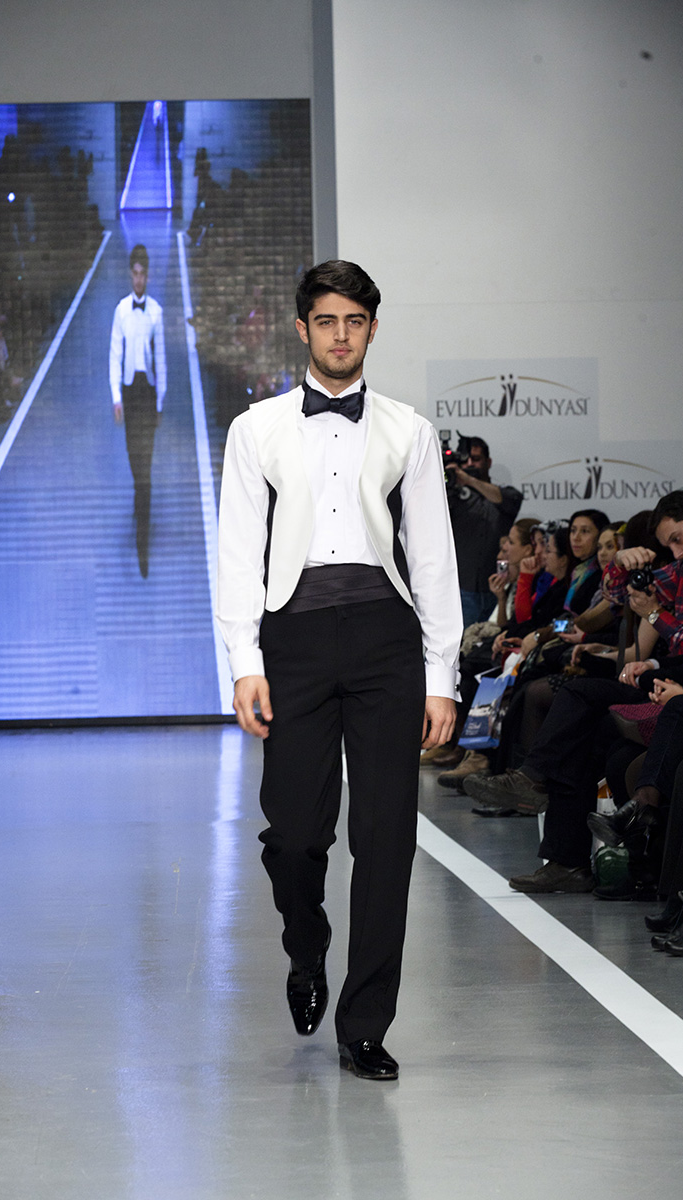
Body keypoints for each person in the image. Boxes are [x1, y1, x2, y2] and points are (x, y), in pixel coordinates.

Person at [215, 260, 462, 1081]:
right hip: (293, 638)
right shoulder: (255, 429)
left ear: (373, 329)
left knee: (387, 838)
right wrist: (245, 661)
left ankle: (364, 1027)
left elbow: (433, 558)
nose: (341, 335)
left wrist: (441, 677)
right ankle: (307, 942)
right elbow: (238, 555)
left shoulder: (408, 430)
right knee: (293, 835)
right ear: (303, 330)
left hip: (386, 639)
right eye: (327, 320)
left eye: (355, 321)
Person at [463, 489, 683, 890]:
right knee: (573, 720)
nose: (586, 544)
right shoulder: (667, 573)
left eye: (598, 539)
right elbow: (602, 603)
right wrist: (618, 564)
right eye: (579, 535)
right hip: (657, 676)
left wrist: (647, 621)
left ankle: (528, 778)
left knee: (563, 695)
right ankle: (560, 848)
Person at [109, 243, 166, 578]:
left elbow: (161, 359)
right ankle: (139, 500)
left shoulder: (156, 312)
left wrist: (160, 402)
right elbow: (114, 354)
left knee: (145, 470)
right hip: (130, 395)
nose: (139, 279)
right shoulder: (121, 311)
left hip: (148, 394)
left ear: (148, 276)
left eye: (143, 274)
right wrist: (116, 396)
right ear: (130, 275)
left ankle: (142, 546)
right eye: (135, 273)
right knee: (136, 462)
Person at [446, 436, 521, 626]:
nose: (470, 464)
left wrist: (469, 480)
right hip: (462, 590)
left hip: (499, 588)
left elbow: (512, 500)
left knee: (496, 640)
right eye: (466, 460)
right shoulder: (453, 497)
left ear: (488, 462)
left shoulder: (504, 494)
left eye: (476, 459)